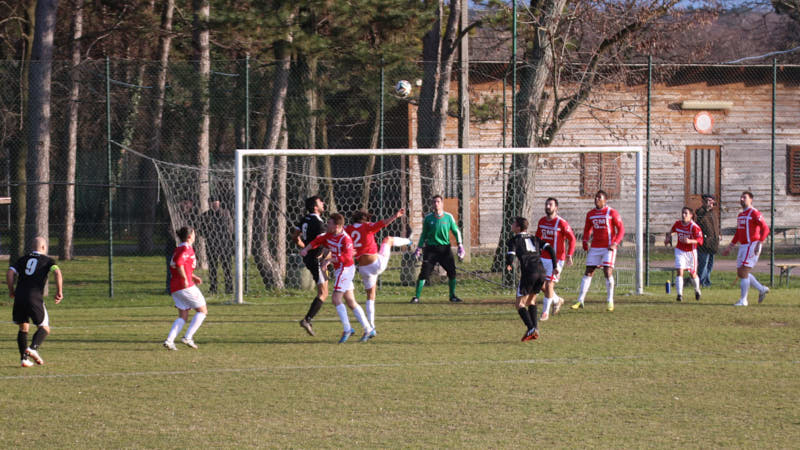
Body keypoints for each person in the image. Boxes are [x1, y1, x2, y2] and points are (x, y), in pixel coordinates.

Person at [300, 213, 375, 343]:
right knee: (350, 301)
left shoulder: (346, 239)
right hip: (340, 270)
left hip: (345, 270)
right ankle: (368, 329)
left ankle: (347, 329)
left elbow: (347, 257)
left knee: (336, 298)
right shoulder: (329, 235)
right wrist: (306, 249)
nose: (327, 225)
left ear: (337, 226)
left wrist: (330, 260)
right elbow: (317, 241)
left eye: (329, 223)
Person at [345, 208, 410, 332]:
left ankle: (372, 326)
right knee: (388, 240)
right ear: (366, 220)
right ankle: (410, 241)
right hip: (376, 264)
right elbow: (384, 223)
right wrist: (395, 216)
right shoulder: (367, 226)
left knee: (370, 296)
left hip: (363, 269)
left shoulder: (348, 229)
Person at [6, 237, 63, 367]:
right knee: (45, 327)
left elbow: (10, 272)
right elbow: (57, 272)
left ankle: (24, 359)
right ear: (43, 247)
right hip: (34, 297)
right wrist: (59, 291)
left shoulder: (22, 259)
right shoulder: (48, 261)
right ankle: (32, 348)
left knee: (23, 327)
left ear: (32, 247)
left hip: (20, 296)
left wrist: (11, 290)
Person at [571, 190, 625, 312]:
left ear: (605, 200)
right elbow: (587, 229)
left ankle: (610, 301)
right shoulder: (590, 214)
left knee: (607, 271)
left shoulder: (612, 213)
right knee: (588, 272)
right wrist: (585, 241)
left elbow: (621, 230)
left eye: (599, 197)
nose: (596, 199)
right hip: (595, 247)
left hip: (608, 248)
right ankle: (580, 300)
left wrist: (615, 243)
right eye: (595, 197)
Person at [505, 217, 558, 342]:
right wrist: (555, 266)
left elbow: (511, 255)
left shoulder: (514, 240)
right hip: (541, 272)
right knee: (531, 301)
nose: (512, 225)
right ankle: (535, 329)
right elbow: (550, 249)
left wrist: (509, 264)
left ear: (518, 228)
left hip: (529, 273)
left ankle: (530, 328)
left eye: (514, 223)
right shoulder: (535, 238)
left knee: (519, 304)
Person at [410, 195, 465, 304]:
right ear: (432, 204)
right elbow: (424, 234)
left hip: (444, 249)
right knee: (424, 273)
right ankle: (416, 297)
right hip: (431, 249)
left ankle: (452, 296)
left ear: (442, 203)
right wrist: (419, 248)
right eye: (434, 202)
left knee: (452, 272)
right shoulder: (428, 218)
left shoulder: (448, 217)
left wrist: (460, 245)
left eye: (438, 202)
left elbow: (456, 231)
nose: (436, 204)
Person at [721, 191, 771, 306]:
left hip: (752, 244)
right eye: (741, 197)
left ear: (751, 199)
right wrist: (730, 246)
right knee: (741, 273)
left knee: (743, 271)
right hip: (743, 246)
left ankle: (743, 300)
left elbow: (766, 228)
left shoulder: (754, 213)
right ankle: (761, 289)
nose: (742, 199)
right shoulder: (741, 215)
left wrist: (760, 242)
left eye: (744, 197)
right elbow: (738, 232)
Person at [164, 226, 208, 350]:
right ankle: (188, 337)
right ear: (189, 236)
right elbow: (178, 263)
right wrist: (185, 279)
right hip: (185, 286)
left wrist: (193, 276)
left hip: (175, 287)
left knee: (183, 316)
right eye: (193, 234)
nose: (195, 235)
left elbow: (179, 265)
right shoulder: (186, 248)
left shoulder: (179, 248)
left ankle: (169, 341)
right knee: (202, 311)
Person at [292, 195, 328, 336]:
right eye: (320, 202)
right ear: (315, 207)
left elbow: (295, 237)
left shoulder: (305, 219)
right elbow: (325, 242)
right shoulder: (319, 224)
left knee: (325, 291)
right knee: (323, 293)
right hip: (316, 260)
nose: (323, 203)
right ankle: (307, 320)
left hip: (309, 258)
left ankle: (308, 320)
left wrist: (304, 247)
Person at [535, 197, 576, 320]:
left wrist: (569, 255)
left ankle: (545, 313)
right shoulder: (542, 221)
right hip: (543, 257)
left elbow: (572, 239)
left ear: (556, 207)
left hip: (557, 259)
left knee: (549, 284)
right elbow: (538, 237)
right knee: (539, 283)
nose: (548, 206)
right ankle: (557, 300)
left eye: (550, 204)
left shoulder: (561, 223)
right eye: (546, 204)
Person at [665, 207, 704, 302]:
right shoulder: (678, 223)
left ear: (691, 215)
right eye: (682, 213)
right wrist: (668, 238)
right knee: (680, 271)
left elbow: (700, 240)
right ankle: (679, 295)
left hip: (691, 252)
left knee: (693, 274)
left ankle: (697, 290)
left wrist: (690, 241)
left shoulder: (694, 227)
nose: (683, 215)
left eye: (686, 213)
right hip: (680, 251)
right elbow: (672, 231)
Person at [199, 197, 233, 294]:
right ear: (209, 204)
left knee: (227, 267)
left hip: (224, 244)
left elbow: (230, 227)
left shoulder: (226, 213)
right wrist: (209, 236)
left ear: (219, 203)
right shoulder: (205, 215)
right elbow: (201, 230)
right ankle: (213, 288)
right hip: (211, 244)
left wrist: (226, 238)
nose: (214, 204)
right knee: (212, 267)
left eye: (216, 202)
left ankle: (229, 288)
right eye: (212, 202)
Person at [695, 194, 719, 287]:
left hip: (713, 243)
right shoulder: (701, 213)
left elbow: (715, 226)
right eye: (707, 201)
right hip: (704, 243)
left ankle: (707, 281)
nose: (709, 203)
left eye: (710, 201)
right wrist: (706, 208)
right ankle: (702, 282)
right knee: (703, 263)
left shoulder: (713, 213)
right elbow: (700, 218)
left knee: (710, 264)